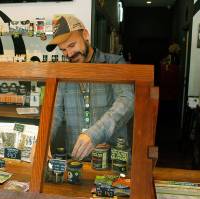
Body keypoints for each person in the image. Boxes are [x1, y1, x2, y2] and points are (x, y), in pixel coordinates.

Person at [46, 15, 134, 160]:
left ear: (85, 35)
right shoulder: (63, 73)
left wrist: (95, 134)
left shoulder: (114, 63)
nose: (69, 54)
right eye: (63, 50)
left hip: (113, 158)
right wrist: (44, 139)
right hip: (77, 159)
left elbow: (127, 102)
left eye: (72, 45)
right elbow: (55, 112)